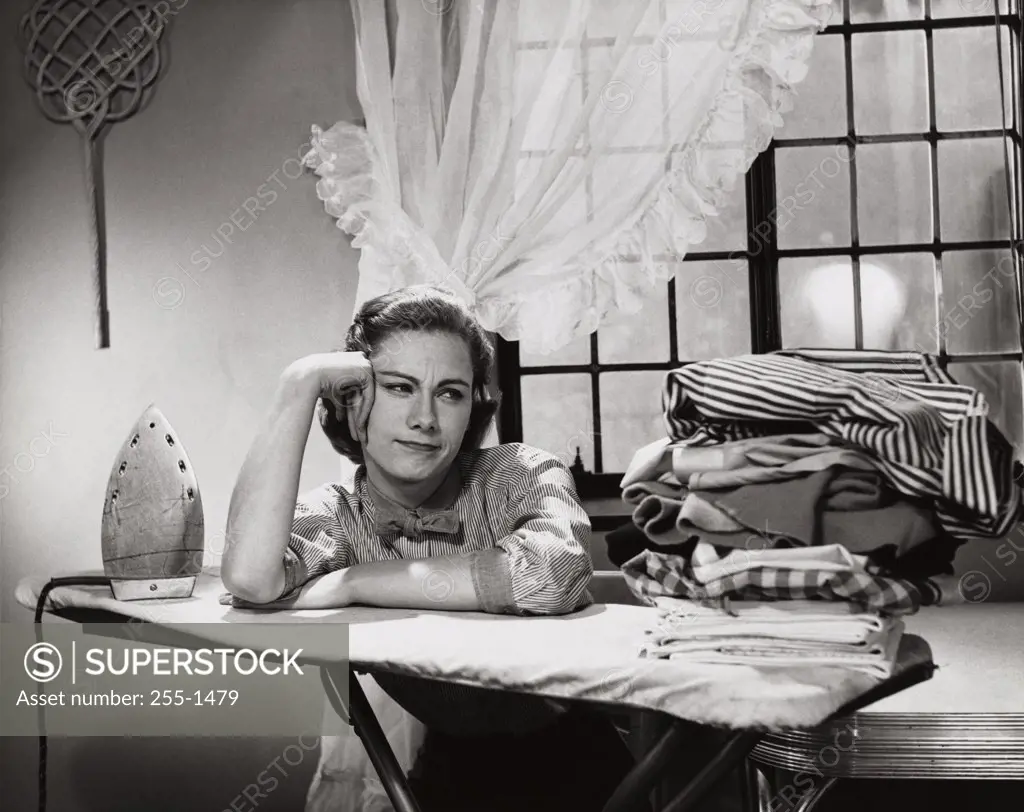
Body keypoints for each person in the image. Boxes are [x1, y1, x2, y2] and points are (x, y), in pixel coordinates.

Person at [220, 285, 635, 812]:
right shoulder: (338, 514)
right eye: (399, 388)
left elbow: (550, 577)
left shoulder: (519, 473)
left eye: (450, 392)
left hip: (583, 769)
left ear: (471, 409)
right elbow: (252, 578)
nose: (426, 418)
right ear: (353, 404)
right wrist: (298, 381)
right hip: (448, 773)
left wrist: (353, 582)